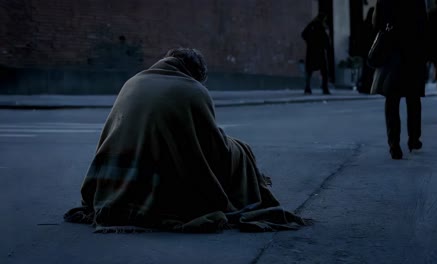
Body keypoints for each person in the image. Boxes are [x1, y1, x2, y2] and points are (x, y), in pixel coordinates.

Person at [63, 48, 306, 233]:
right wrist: (241, 152)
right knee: (240, 150)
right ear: (197, 74)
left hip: (114, 182)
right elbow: (211, 148)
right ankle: (246, 192)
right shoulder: (194, 90)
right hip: (165, 180)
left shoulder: (133, 81)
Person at [370, 0, 427, 160]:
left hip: (392, 54)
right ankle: (414, 139)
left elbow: (376, 25)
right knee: (413, 99)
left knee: (392, 101)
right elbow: (424, 27)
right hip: (413, 54)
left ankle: (394, 145)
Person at [301, 13, 331, 95]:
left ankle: (307, 88)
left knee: (309, 70)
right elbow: (326, 40)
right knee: (324, 71)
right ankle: (325, 88)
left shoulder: (312, 25)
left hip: (311, 51)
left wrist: (309, 42)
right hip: (319, 51)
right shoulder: (321, 27)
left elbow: (303, 34)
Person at [357, 7, 377, 94]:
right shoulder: (374, 25)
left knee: (366, 70)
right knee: (371, 70)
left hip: (365, 51)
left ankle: (365, 86)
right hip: (372, 50)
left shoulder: (364, 24)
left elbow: (361, 39)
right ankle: (368, 87)